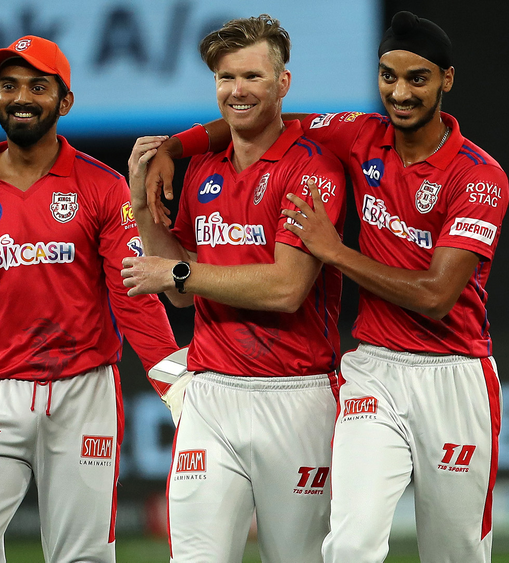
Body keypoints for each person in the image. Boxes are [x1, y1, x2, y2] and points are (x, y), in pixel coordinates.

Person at [145, 11, 509, 563]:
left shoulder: (479, 177)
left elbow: (437, 297)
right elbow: (266, 117)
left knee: (455, 553)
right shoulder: (360, 135)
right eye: (388, 76)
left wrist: (335, 252)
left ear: (447, 80)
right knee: (350, 546)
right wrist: (173, 148)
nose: (400, 93)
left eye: (417, 79)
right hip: (375, 370)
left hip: (455, 373)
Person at [0, 35, 181, 563]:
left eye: (37, 87)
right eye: (8, 86)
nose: (21, 98)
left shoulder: (102, 186)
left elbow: (132, 291)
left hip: (83, 394)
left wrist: (173, 381)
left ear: (64, 101)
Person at [119, 14, 347, 563]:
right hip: (211, 395)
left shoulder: (312, 168)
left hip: (297, 396)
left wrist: (180, 273)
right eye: (226, 78)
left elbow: (286, 288)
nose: (237, 91)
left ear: (283, 83)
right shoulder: (202, 169)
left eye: (252, 76)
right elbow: (179, 291)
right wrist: (144, 209)